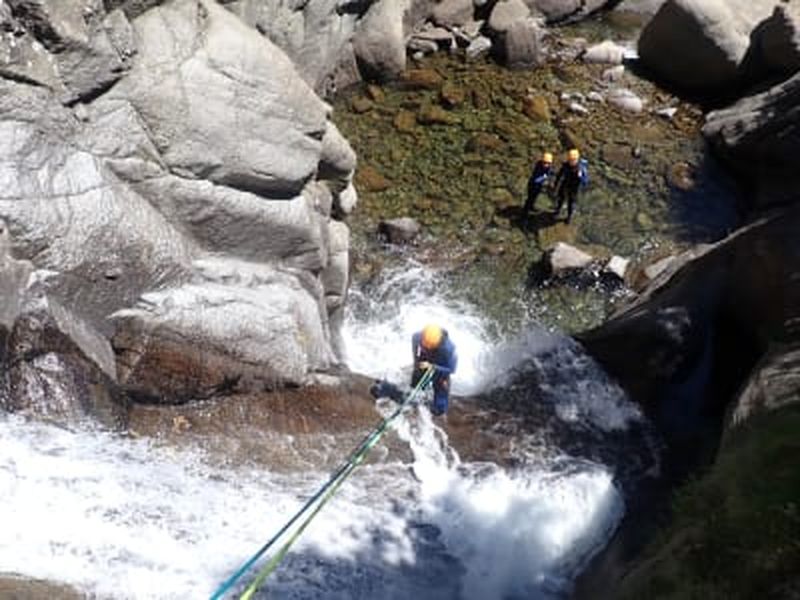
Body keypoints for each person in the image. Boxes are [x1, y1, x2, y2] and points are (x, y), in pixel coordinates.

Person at [411, 324, 457, 416]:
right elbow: (415, 349)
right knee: (416, 380)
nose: (427, 346)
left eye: (430, 346)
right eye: (425, 345)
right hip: (426, 358)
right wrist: (417, 363)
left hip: (441, 363)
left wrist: (432, 367)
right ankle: (417, 394)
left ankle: (439, 408)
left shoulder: (448, 349)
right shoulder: (417, 337)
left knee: (441, 388)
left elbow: (451, 370)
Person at [553, 148, 589, 224]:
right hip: (566, 184)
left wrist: (580, 177)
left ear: (577, 160)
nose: (571, 162)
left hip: (574, 187)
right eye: (570, 160)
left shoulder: (581, 169)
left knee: (571, 203)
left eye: (573, 160)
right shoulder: (566, 165)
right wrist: (556, 185)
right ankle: (558, 210)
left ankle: (569, 216)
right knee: (561, 198)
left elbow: (585, 181)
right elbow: (559, 175)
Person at [522, 151, 554, 226]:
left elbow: (548, 173)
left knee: (534, 197)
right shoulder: (538, 167)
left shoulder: (548, 167)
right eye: (545, 163)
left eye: (548, 163)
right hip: (533, 185)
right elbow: (536, 179)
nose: (546, 165)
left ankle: (531, 207)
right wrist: (544, 177)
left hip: (539, 185)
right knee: (530, 199)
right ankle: (525, 213)